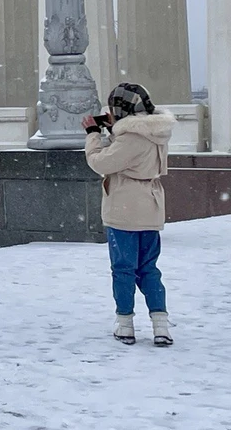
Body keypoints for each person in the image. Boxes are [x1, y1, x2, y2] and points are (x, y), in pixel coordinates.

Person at [82, 82, 175, 347]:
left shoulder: (131, 138)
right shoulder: (157, 132)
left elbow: (101, 162)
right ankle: (161, 326)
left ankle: (125, 324)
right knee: (149, 269)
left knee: (123, 268)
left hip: (124, 209)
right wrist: (114, 129)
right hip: (151, 207)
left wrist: (92, 134)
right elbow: (131, 152)